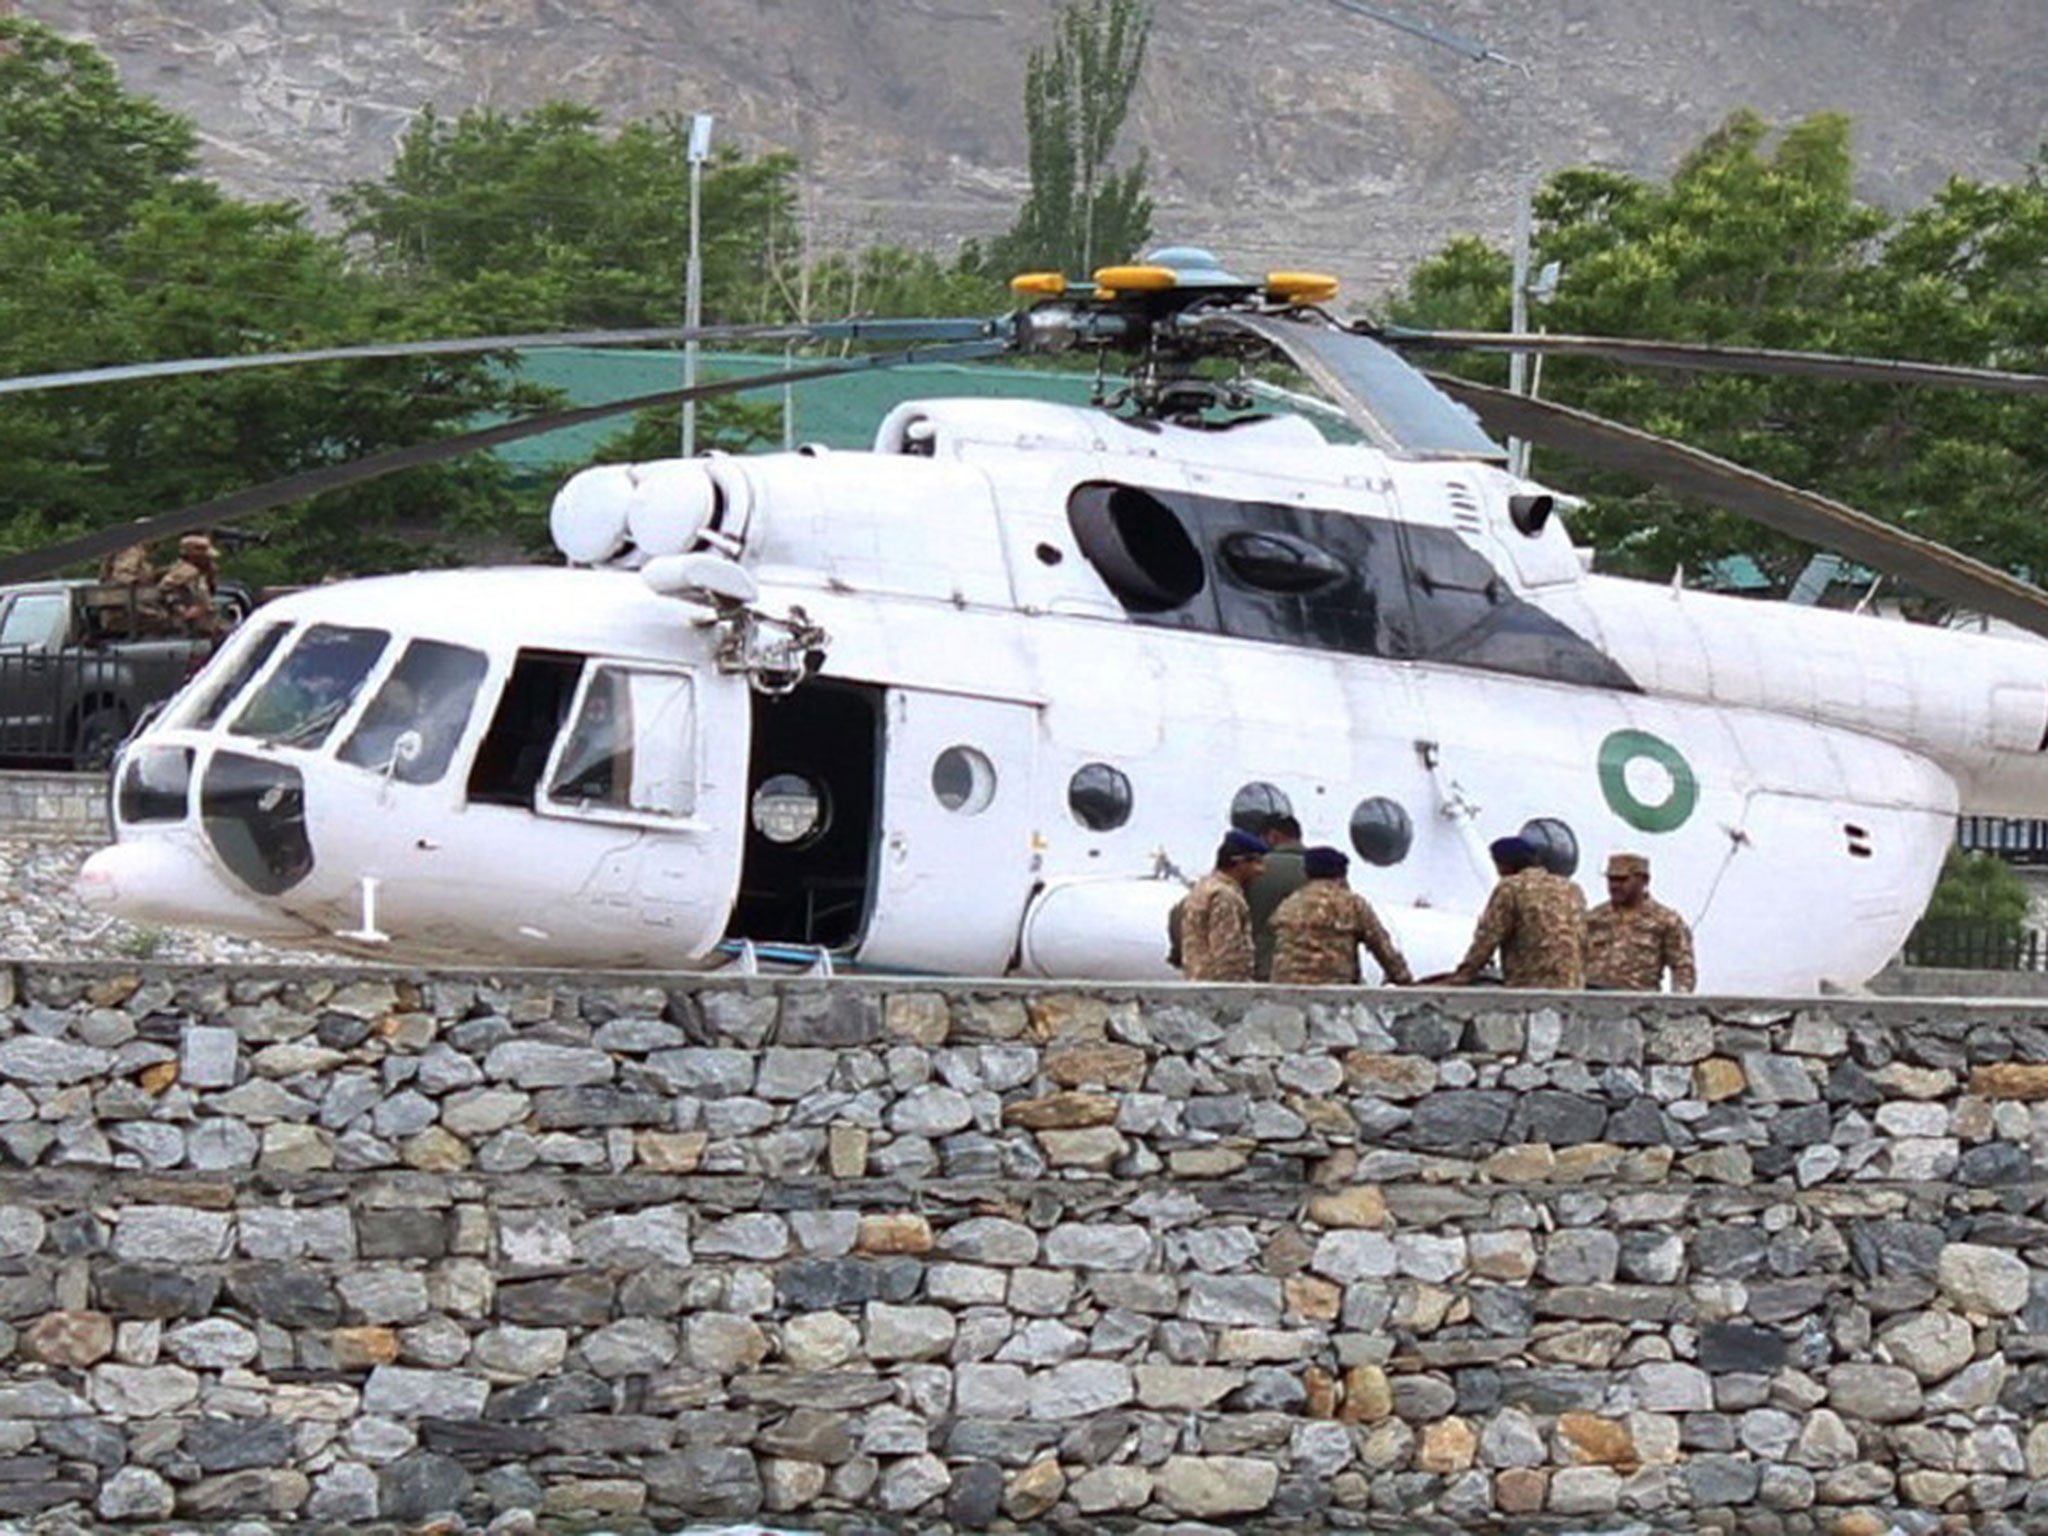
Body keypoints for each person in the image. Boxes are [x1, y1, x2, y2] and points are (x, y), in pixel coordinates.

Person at [1449, 835, 1588, 988]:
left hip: (1530, 986)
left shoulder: (1511, 887)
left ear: (1504, 864)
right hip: (1573, 985)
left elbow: (1489, 936)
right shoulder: (1571, 888)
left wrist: (1464, 974)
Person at [1270, 845, 1414, 986]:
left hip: (1286, 991)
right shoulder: (1352, 904)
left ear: (1307, 873)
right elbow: (1382, 947)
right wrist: (1404, 980)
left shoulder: (1290, 903)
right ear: (1342, 874)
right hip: (1334, 995)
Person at [1586, 851, 1697, 992]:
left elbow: (1683, 968)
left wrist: (1676, 1006)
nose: (1614, 886)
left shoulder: (1666, 921)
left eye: (1622, 880)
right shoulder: (1594, 918)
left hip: (1640, 1004)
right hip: (1593, 1002)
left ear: (1644, 880)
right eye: (1611, 880)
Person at [1177, 829, 1268, 982]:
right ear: (1239, 862)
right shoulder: (1225, 897)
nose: (1262, 871)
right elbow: (1227, 954)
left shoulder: (1204, 887)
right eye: (1257, 863)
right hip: (1219, 989)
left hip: (1198, 980)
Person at [1245, 812, 1308, 981]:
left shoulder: (1256, 869)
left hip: (1267, 969)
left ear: (1272, 836)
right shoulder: (1326, 871)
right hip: (1316, 971)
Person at [156, 533, 221, 635]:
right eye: (206, 557)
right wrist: (181, 610)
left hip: (208, 627)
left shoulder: (200, 573)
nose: (210, 560)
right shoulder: (184, 572)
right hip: (192, 630)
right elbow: (164, 590)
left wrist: (211, 576)